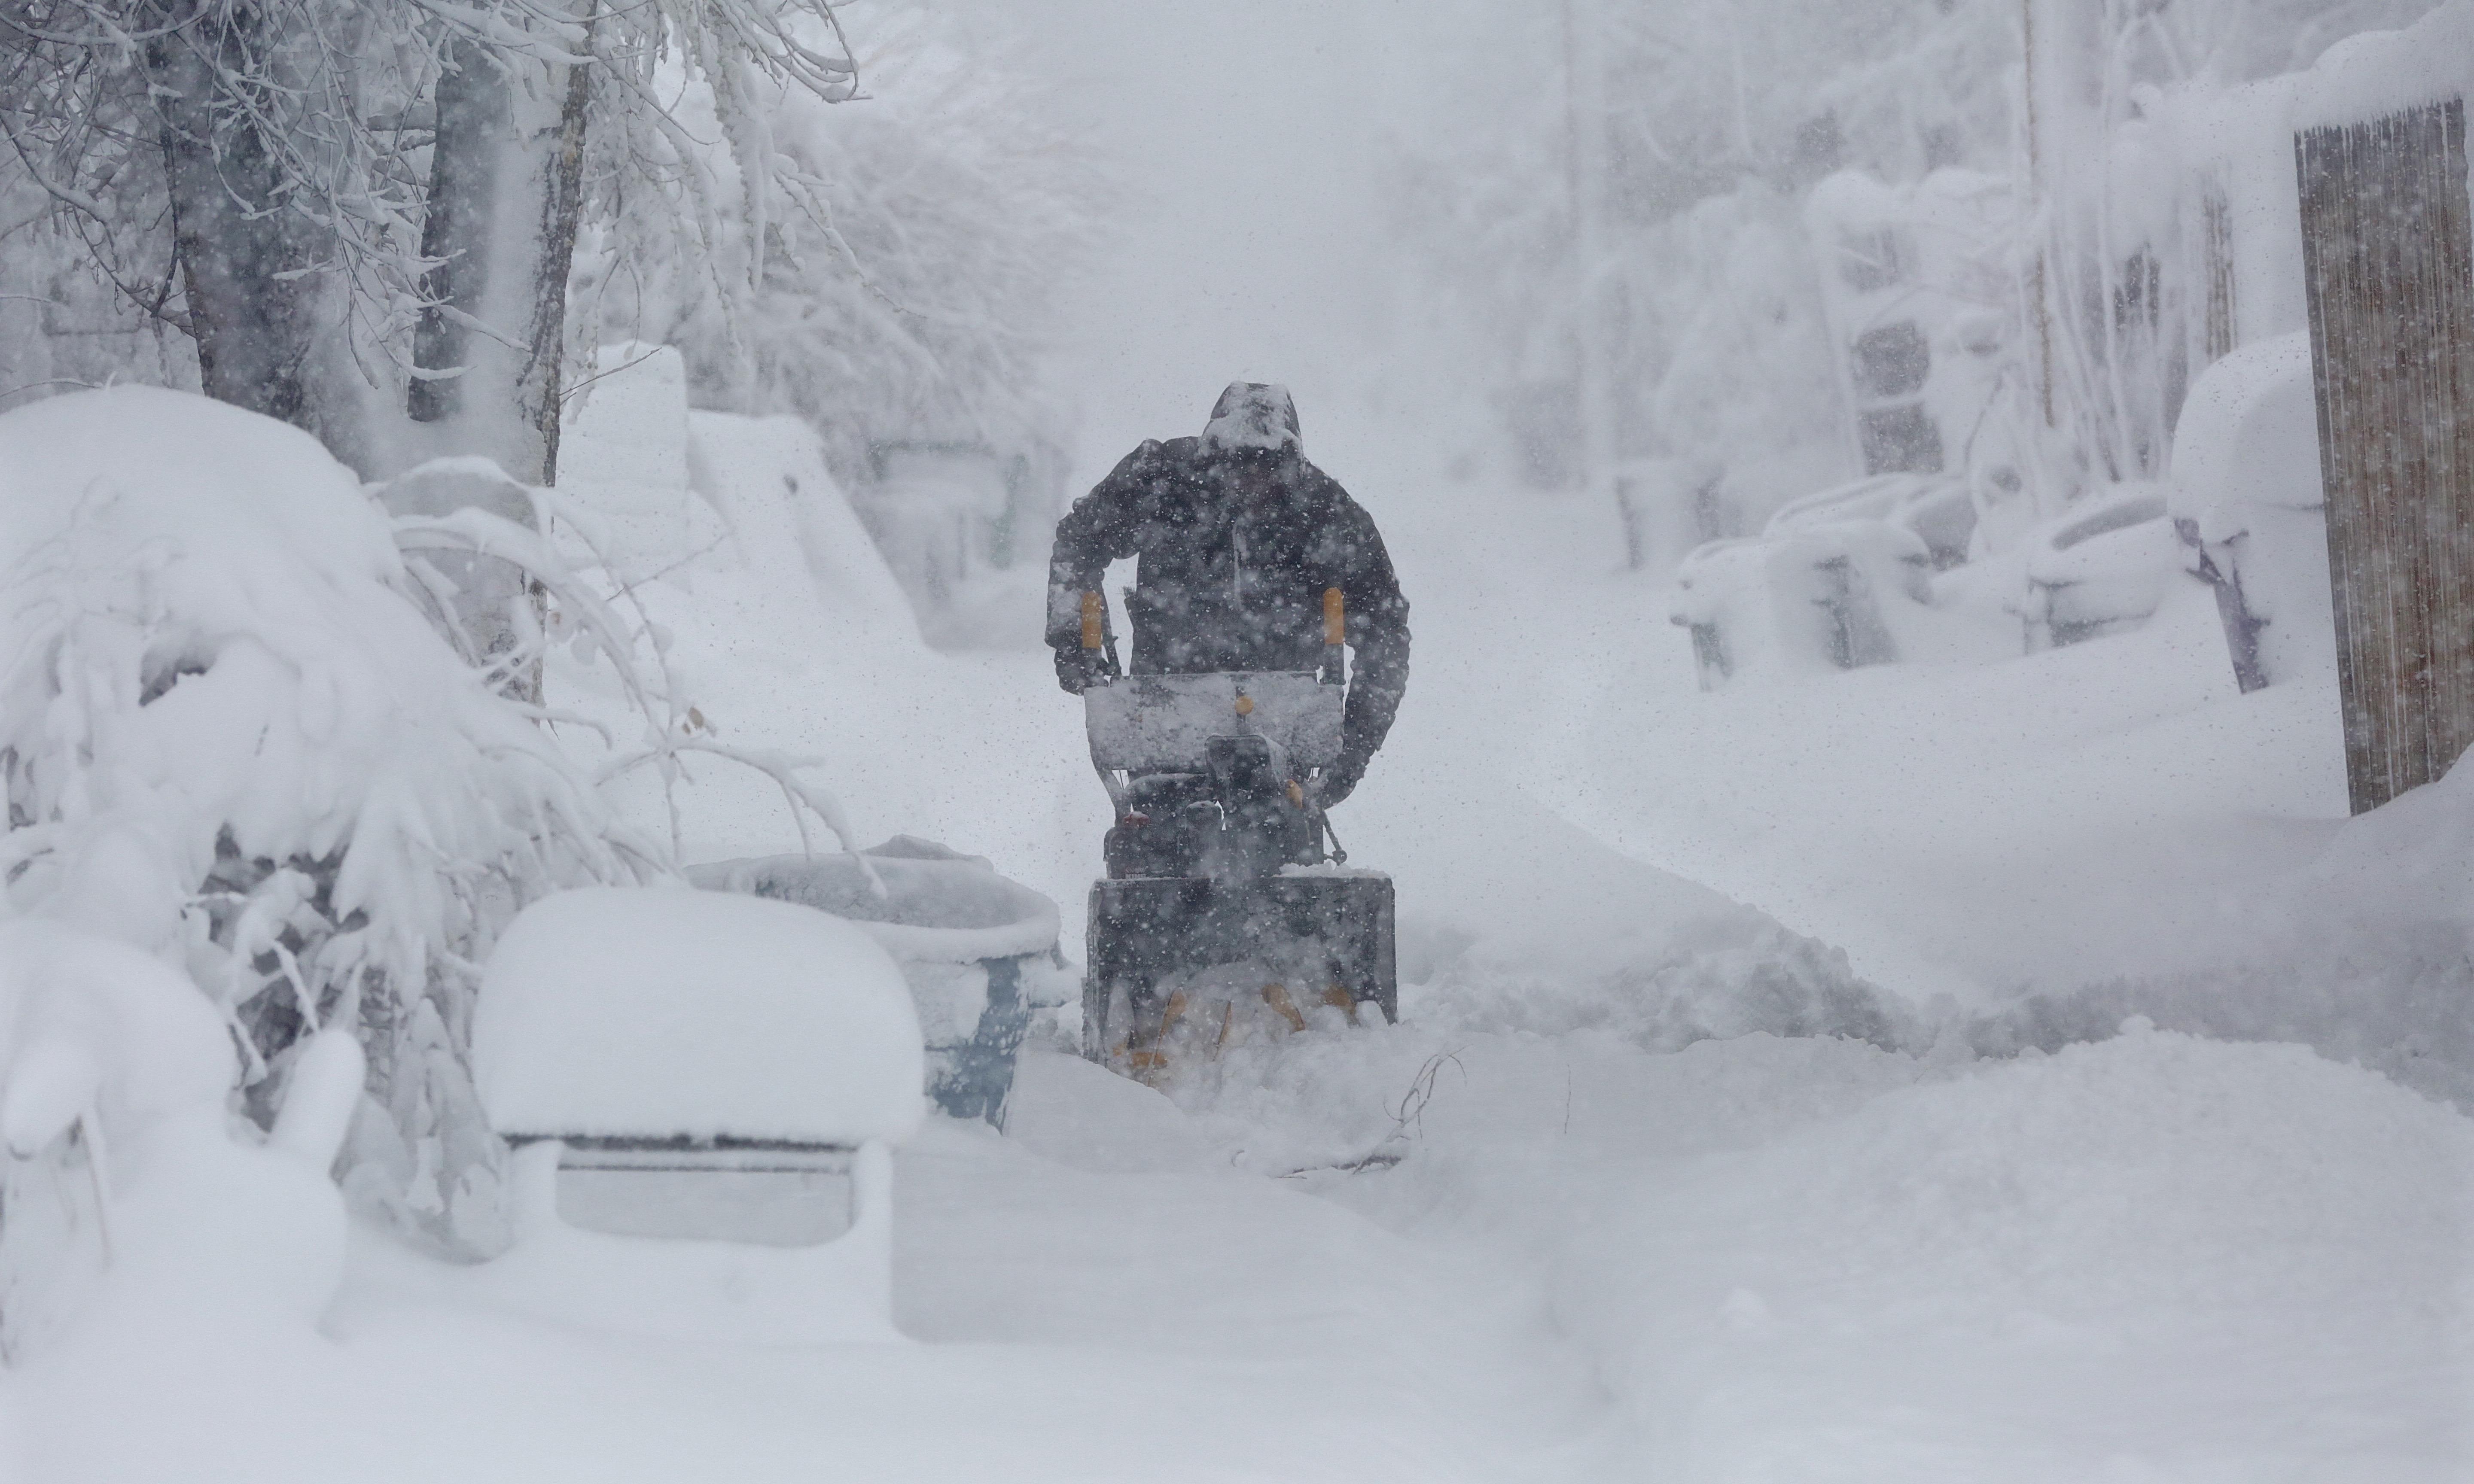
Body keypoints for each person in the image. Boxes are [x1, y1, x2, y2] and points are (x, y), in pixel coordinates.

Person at [1047, 383, 1410, 835]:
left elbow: (1386, 633)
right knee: (1158, 841)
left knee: (1283, 841)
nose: (1249, 481)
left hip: (1284, 726)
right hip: (1164, 710)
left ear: (1291, 464)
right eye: (1236, 465)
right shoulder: (1162, 480)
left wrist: (1351, 752)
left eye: (1266, 466)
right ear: (1210, 456)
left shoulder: (1326, 515)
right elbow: (1079, 541)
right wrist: (1074, 639)